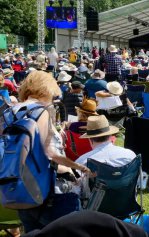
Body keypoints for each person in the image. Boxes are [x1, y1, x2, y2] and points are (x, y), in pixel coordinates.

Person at [15, 71, 90, 233]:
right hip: (51, 190)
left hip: (21, 189)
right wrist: (77, 168)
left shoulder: (10, 112)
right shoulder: (40, 111)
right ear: (47, 89)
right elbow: (50, 153)